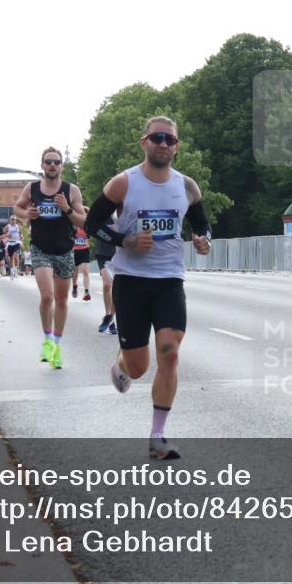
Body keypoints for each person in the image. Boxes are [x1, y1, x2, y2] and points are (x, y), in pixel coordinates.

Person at [85, 116, 211, 460]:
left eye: (170, 140)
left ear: (176, 147)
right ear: (144, 142)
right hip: (130, 283)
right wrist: (123, 240)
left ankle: (158, 436)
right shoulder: (124, 183)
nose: (163, 144)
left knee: (170, 352)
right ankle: (122, 365)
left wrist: (203, 240)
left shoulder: (187, 187)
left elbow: (202, 224)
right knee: (139, 367)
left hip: (169, 280)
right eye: (157, 138)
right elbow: (93, 223)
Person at [14, 146, 87, 369]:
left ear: (62, 166)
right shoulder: (32, 188)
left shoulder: (71, 190)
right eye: (48, 162)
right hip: (40, 248)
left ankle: (56, 344)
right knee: (47, 296)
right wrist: (28, 214)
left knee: (62, 300)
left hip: (65, 250)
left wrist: (66, 209)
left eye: (56, 162)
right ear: (42, 165)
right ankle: (47, 340)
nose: (52, 165)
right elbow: (17, 207)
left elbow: (83, 222)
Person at [93, 211, 119, 334]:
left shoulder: (125, 213)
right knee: (107, 284)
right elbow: (92, 227)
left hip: (119, 254)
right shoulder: (103, 211)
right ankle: (108, 315)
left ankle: (111, 319)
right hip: (102, 253)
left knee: (116, 289)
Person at [71, 212, 92, 301]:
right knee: (75, 274)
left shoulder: (87, 227)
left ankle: (86, 292)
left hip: (84, 251)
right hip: (75, 252)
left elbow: (89, 239)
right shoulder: (73, 226)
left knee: (85, 271)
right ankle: (75, 287)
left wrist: (86, 244)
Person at [4, 215, 23, 279]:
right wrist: (7, 235)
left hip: (17, 242)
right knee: (11, 258)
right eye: (12, 219)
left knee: (16, 256)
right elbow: (3, 233)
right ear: (10, 220)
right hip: (10, 243)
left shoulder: (18, 227)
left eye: (14, 219)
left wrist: (21, 236)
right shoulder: (7, 226)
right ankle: (12, 271)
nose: (13, 220)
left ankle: (16, 269)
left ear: (16, 220)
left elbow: (21, 234)